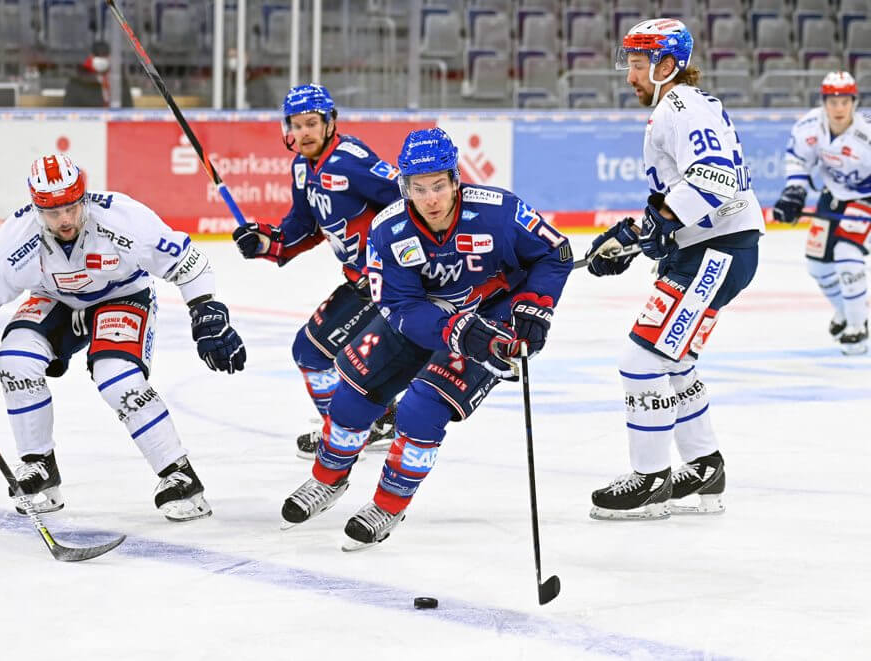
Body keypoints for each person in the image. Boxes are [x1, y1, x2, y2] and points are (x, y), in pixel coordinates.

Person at [279, 127, 573, 550]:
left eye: (438, 185)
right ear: (405, 187)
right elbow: (398, 306)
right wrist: (454, 330)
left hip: (492, 316)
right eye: (419, 188)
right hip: (422, 316)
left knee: (421, 409)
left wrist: (535, 305)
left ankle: (388, 505)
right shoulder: (388, 231)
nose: (431, 198)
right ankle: (327, 479)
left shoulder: (499, 212)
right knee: (351, 399)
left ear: (455, 179)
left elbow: (555, 252)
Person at [0, 153, 245, 521]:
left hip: (123, 296)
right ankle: (39, 467)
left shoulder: (123, 218)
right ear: (36, 209)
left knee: (117, 377)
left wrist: (206, 311)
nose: (65, 220)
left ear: (84, 198)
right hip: (56, 300)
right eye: (53, 213)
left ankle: (180, 475)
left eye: (71, 208)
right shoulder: (15, 238)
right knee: (14, 361)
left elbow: (189, 263)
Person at [583, 18, 764, 520]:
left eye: (638, 65)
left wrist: (655, 226)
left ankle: (651, 480)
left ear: (667, 65)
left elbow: (715, 177)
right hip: (713, 248)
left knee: (641, 360)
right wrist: (638, 235)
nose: (630, 76)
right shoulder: (685, 105)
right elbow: (688, 190)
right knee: (674, 360)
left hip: (715, 252)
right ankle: (705, 467)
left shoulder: (678, 107)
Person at [232, 84, 402, 459]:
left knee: (313, 352)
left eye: (311, 123)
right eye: (296, 125)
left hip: (384, 284)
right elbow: (303, 227)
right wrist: (266, 241)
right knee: (328, 354)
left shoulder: (351, 160)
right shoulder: (301, 168)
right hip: (359, 281)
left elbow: (408, 198)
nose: (304, 132)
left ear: (330, 123)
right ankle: (379, 421)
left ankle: (345, 435)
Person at [772, 71, 870, 355]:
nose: (839, 108)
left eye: (845, 101)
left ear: (854, 102)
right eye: (833, 101)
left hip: (866, 198)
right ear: (824, 102)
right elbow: (798, 160)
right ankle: (845, 312)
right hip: (833, 196)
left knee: (847, 254)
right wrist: (794, 193)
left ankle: (857, 327)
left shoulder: (867, 133)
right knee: (818, 265)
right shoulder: (809, 126)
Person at [63, 40, 133, 108]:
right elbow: (68, 110)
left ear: (110, 57)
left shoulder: (119, 81)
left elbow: (128, 109)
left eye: (105, 55)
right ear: (91, 57)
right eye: (97, 55)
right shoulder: (76, 82)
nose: (101, 59)